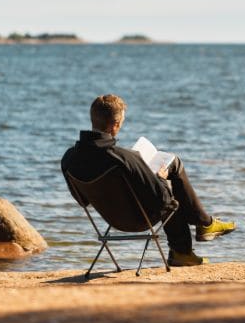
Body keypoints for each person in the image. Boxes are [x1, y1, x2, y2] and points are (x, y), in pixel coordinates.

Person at [61, 94, 235, 266]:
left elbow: (82, 201)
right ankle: (192, 238)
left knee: (160, 182)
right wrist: (160, 177)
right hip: (139, 220)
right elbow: (165, 201)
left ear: (93, 120)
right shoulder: (125, 158)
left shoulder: (69, 158)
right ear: (115, 125)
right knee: (172, 167)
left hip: (112, 220)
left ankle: (200, 228)